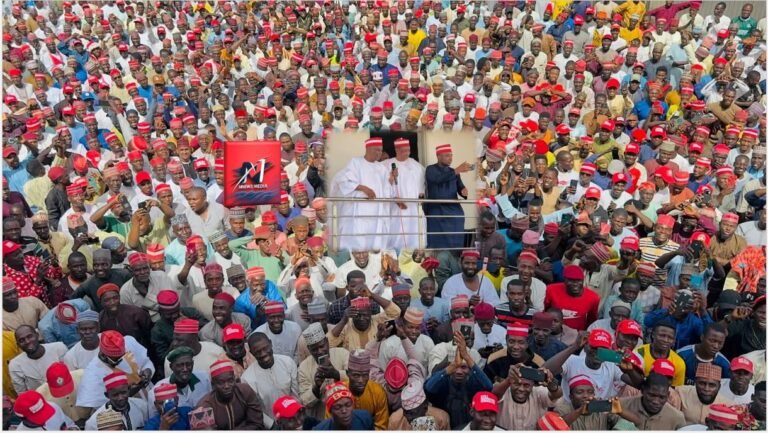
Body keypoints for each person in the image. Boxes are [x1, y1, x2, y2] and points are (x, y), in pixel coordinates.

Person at [330, 137, 392, 251]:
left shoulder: (382, 168)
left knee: (375, 242)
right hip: (360, 209)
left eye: (380, 150)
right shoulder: (356, 162)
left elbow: (387, 189)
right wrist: (363, 188)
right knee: (359, 241)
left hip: (377, 211)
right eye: (376, 150)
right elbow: (345, 181)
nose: (379, 153)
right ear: (368, 149)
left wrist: (392, 181)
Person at [240, 332, 300, 424]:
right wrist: (271, 426)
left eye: (265, 348)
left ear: (271, 344)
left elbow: (296, 394)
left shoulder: (287, 363)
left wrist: (295, 417)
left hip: (295, 419)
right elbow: (255, 409)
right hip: (271, 425)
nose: (263, 354)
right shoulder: (247, 378)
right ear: (251, 353)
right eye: (258, 352)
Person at [194, 359, 265, 430]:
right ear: (213, 385)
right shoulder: (204, 406)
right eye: (221, 382)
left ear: (235, 379)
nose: (227, 386)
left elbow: (257, 424)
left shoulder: (245, 391)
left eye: (230, 380)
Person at [423, 144, 470, 249]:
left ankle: (455, 255)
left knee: (456, 239)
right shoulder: (430, 169)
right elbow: (437, 179)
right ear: (438, 156)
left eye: (451, 155)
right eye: (447, 156)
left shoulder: (454, 171)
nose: (450, 158)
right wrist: (456, 171)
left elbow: (460, 187)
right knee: (437, 241)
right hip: (437, 209)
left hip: (453, 209)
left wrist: (464, 191)